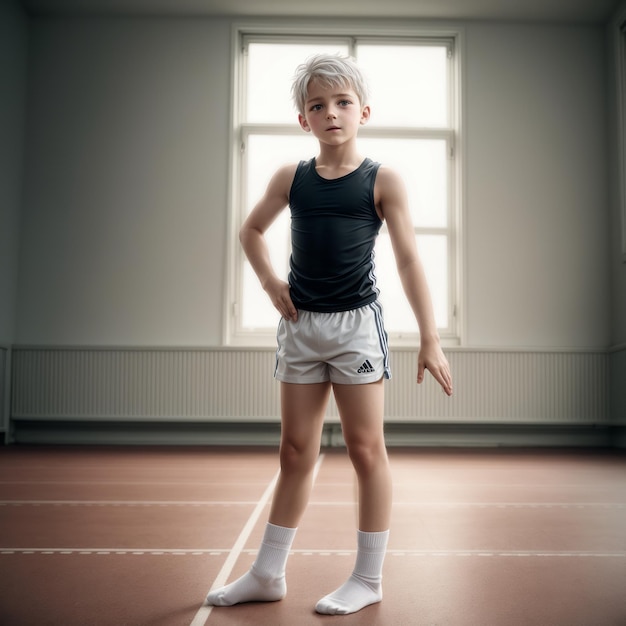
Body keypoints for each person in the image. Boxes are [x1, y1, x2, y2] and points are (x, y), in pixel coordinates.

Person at [206, 52, 453, 616]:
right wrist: (271, 283)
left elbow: (411, 260)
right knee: (296, 451)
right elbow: (250, 231)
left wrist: (430, 337)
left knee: (366, 450)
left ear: (363, 110)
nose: (331, 113)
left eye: (342, 102)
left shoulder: (381, 179)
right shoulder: (290, 178)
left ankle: (368, 579)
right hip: (300, 325)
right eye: (318, 105)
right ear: (304, 119)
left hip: (355, 328)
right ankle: (268, 573)